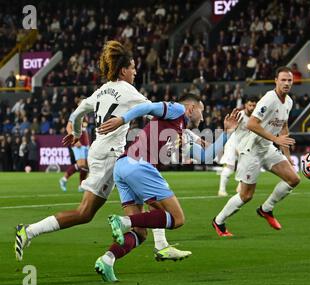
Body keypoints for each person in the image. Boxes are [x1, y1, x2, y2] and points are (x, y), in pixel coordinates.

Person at [14, 40, 190, 263]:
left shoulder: (100, 91)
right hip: (112, 156)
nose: (136, 72)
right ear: (124, 69)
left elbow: (76, 114)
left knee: (140, 217)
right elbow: (153, 111)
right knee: (90, 212)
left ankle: (126, 254)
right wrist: (183, 134)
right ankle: (29, 231)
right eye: (133, 67)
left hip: (100, 151)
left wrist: (77, 132)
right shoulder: (128, 91)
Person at [94, 94, 239, 281]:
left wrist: (227, 133)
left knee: (141, 231)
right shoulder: (176, 110)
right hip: (139, 165)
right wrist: (122, 119)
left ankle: (107, 260)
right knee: (177, 218)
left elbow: (206, 156)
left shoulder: (183, 133)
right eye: (201, 112)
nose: (203, 118)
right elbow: (146, 108)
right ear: (192, 108)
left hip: (123, 168)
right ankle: (123, 222)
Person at [212, 66, 300, 237]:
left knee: (293, 179)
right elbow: (252, 124)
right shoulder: (269, 99)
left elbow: (283, 128)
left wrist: (287, 157)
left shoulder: (288, 101)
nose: (287, 83)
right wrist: (275, 139)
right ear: (276, 81)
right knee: (246, 196)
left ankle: (266, 209)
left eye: (289, 80)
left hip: (267, 148)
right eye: (283, 80)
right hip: (251, 150)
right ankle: (218, 221)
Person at [217, 97, 258, 197]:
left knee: (247, 166)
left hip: (245, 144)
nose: (252, 107)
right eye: (250, 105)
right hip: (233, 142)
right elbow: (230, 129)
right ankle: (221, 190)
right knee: (229, 167)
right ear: (245, 105)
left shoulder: (257, 117)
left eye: (254, 105)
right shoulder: (240, 115)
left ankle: (240, 188)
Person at [59, 121, 90, 192]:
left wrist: (87, 143)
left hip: (85, 143)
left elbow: (84, 130)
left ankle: (81, 186)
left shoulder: (85, 115)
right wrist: (74, 139)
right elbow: (68, 127)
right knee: (81, 164)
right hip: (78, 142)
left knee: (86, 165)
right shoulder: (75, 114)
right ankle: (64, 179)